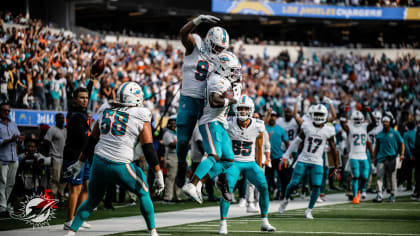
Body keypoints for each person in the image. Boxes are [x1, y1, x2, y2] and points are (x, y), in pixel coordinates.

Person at [64, 82, 164, 236]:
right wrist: (158, 173)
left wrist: (80, 163)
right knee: (144, 191)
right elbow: (148, 147)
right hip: (120, 165)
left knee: (92, 199)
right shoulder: (142, 113)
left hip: (99, 162)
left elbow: (92, 139)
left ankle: (71, 232)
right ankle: (153, 231)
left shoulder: (105, 108)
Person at [175, 14, 230, 188]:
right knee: (183, 140)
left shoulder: (223, 58)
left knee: (213, 145)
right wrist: (197, 20)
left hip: (208, 103)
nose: (218, 51)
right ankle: (182, 164)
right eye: (216, 46)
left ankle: (219, 177)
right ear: (208, 41)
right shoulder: (196, 44)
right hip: (189, 98)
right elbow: (183, 33)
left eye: (221, 48)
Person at [182, 51, 242, 204]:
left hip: (220, 122)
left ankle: (200, 183)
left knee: (228, 159)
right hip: (210, 121)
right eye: (232, 69)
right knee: (214, 155)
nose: (235, 72)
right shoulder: (217, 79)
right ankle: (191, 184)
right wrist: (232, 100)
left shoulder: (224, 79)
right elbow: (215, 100)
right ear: (223, 67)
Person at [218, 95, 275, 234]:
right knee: (227, 190)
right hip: (234, 163)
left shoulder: (258, 125)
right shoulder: (228, 122)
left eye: (245, 108)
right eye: (240, 108)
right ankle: (223, 223)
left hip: (250, 162)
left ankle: (264, 221)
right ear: (235, 109)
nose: (243, 111)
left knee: (264, 187)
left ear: (251, 110)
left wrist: (260, 163)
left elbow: (259, 146)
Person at [279, 104, 338, 219]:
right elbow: (296, 141)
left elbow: (334, 148)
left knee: (316, 185)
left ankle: (309, 210)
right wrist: (286, 155)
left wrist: (336, 166)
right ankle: (285, 200)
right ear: (312, 115)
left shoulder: (329, 130)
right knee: (294, 183)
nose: (318, 116)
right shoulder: (306, 126)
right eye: (316, 114)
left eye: (321, 114)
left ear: (325, 115)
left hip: (317, 161)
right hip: (303, 159)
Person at [62, 87, 92, 230]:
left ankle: (79, 218)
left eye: (86, 98)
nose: (85, 100)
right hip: (75, 156)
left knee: (86, 186)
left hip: (83, 155)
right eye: (81, 98)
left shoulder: (82, 112)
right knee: (76, 188)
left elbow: (87, 92)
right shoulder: (76, 115)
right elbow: (82, 138)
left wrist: (92, 80)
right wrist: (94, 141)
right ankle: (69, 220)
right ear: (74, 99)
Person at [340, 111, 373, 204]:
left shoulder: (365, 127)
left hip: (363, 155)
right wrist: (345, 113)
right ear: (352, 119)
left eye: (359, 119)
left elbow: (374, 123)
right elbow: (343, 124)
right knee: (356, 176)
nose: (358, 121)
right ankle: (355, 197)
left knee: (365, 177)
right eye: (356, 119)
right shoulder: (350, 127)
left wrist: (369, 112)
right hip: (353, 155)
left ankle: (358, 191)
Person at [373, 115, 405, 203]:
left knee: (392, 177)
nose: (384, 123)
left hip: (392, 157)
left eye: (386, 122)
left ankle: (393, 194)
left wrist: (402, 154)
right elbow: (377, 147)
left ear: (389, 123)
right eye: (383, 122)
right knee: (379, 176)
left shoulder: (395, 133)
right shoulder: (379, 134)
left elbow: (402, 143)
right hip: (381, 158)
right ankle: (379, 193)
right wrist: (374, 157)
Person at [0, 102, 23, 215]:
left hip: (14, 158)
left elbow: (17, 137)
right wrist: (9, 140)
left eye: (8, 111)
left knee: (10, 183)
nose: (7, 112)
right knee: (2, 183)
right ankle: (2, 207)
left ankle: (6, 205)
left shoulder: (13, 123)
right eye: (4, 110)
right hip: (2, 158)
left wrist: (19, 139)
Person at [265, 110, 290, 200]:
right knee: (268, 178)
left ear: (276, 117)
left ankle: (284, 194)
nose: (272, 117)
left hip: (278, 156)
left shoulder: (280, 129)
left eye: (274, 116)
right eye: (271, 115)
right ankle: (268, 195)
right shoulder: (264, 128)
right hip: (267, 158)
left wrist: (288, 153)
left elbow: (287, 142)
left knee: (284, 178)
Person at [44, 113, 67, 202]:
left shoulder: (66, 130)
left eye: (62, 118)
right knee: (54, 179)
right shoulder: (52, 129)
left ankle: (61, 197)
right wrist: (48, 156)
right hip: (55, 157)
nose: (61, 120)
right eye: (59, 118)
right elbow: (46, 142)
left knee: (64, 179)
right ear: (56, 120)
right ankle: (51, 199)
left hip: (64, 158)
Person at [163, 115, 181, 202]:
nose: (174, 125)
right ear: (169, 124)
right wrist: (182, 145)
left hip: (178, 156)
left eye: (175, 123)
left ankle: (177, 196)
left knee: (178, 177)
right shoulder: (167, 133)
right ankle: (168, 197)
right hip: (171, 156)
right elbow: (171, 144)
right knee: (171, 177)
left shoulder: (177, 133)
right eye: (172, 123)